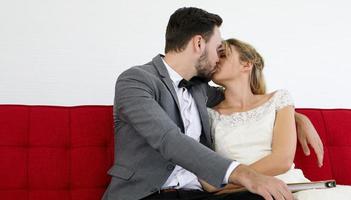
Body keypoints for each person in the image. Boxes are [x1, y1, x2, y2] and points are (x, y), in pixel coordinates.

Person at [102, 7, 324, 200]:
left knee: (265, 198)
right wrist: (246, 175)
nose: (218, 58)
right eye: (218, 48)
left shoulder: (200, 89)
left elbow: (244, 101)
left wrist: (293, 115)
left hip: (198, 194)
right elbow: (168, 139)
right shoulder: (135, 80)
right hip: (147, 194)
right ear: (199, 43)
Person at [201, 38, 351, 199]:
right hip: (243, 193)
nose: (215, 60)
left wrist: (229, 181)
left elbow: (282, 160)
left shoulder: (279, 99)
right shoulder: (208, 113)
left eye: (223, 54)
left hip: (289, 184)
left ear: (246, 64)